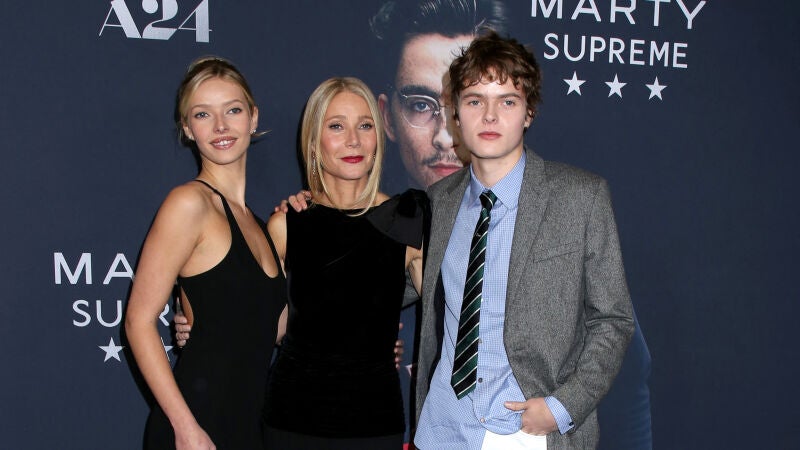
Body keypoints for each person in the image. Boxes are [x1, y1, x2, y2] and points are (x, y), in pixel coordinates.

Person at [371, 2, 652, 449]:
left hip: (525, 432)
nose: (489, 116)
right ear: (456, 113)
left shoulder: (580, 197)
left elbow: (613, 319)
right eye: (474, 101)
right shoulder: (436, 203)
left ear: (529, 112)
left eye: (507, 101)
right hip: (441, 429)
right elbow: (379, 289)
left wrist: (563, 407)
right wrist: (324, 209)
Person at [125, 56, 287, 450]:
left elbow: (273, 331)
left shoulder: (260, 224)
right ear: (187, 128)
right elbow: (138, 322)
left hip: (249, 425)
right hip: (197, 427)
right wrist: (185, 428)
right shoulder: (188, 204)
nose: (220, 126)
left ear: (253, 117)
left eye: (232, 110)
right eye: (202, 114)